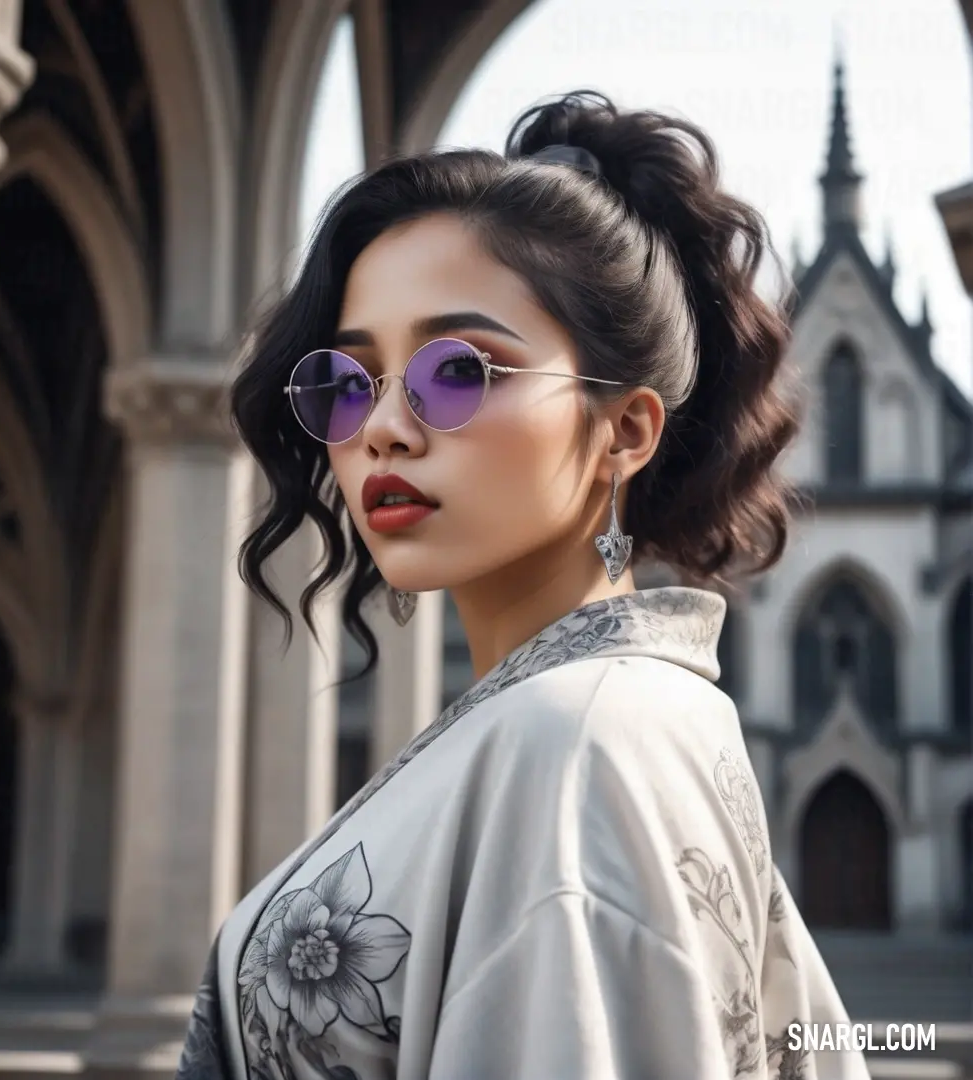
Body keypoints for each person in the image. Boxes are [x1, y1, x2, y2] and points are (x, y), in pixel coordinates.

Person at [177, 91, 870, 1080]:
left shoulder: (579, 739)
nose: (382, 427)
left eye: (459, 371)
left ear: (626, 430)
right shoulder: (585, 720)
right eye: (351, 379)